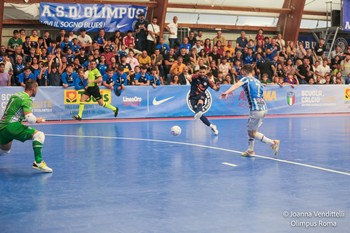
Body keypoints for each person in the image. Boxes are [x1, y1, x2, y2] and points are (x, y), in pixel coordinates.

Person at [220, 64, 280, 157]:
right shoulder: (257, 81)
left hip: (256, 110)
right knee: (252, 129)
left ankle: (272, 143)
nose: (241, 73)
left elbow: (236, 85)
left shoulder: (245, 79)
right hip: (263, 108)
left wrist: (226, 92)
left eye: (241, 71)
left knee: (251, 133)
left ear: (244, 71)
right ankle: (250, 150)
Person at [0, 80, 52, 172]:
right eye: (37, 89)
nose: (37, 91)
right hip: (12, 126)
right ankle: (38, 162)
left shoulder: (15, 95)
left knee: (5, 150)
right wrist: (37, 120)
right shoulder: (27, 99)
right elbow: (29, 118)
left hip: (2, 126)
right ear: (33, 89)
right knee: (39, 135)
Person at [186, 66, 220, 135]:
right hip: (192, 97)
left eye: (203, 72)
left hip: (201, 95)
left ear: (206, 72)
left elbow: (216, 89)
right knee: (199, 115)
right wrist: (189, 78)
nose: (202, 73)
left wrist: (218, 87)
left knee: (201, 99)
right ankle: (212, 126)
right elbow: (188, 76)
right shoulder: (195, 76)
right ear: (199, 72)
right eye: (200, 72)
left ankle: (199, 109)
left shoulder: (208, 81)